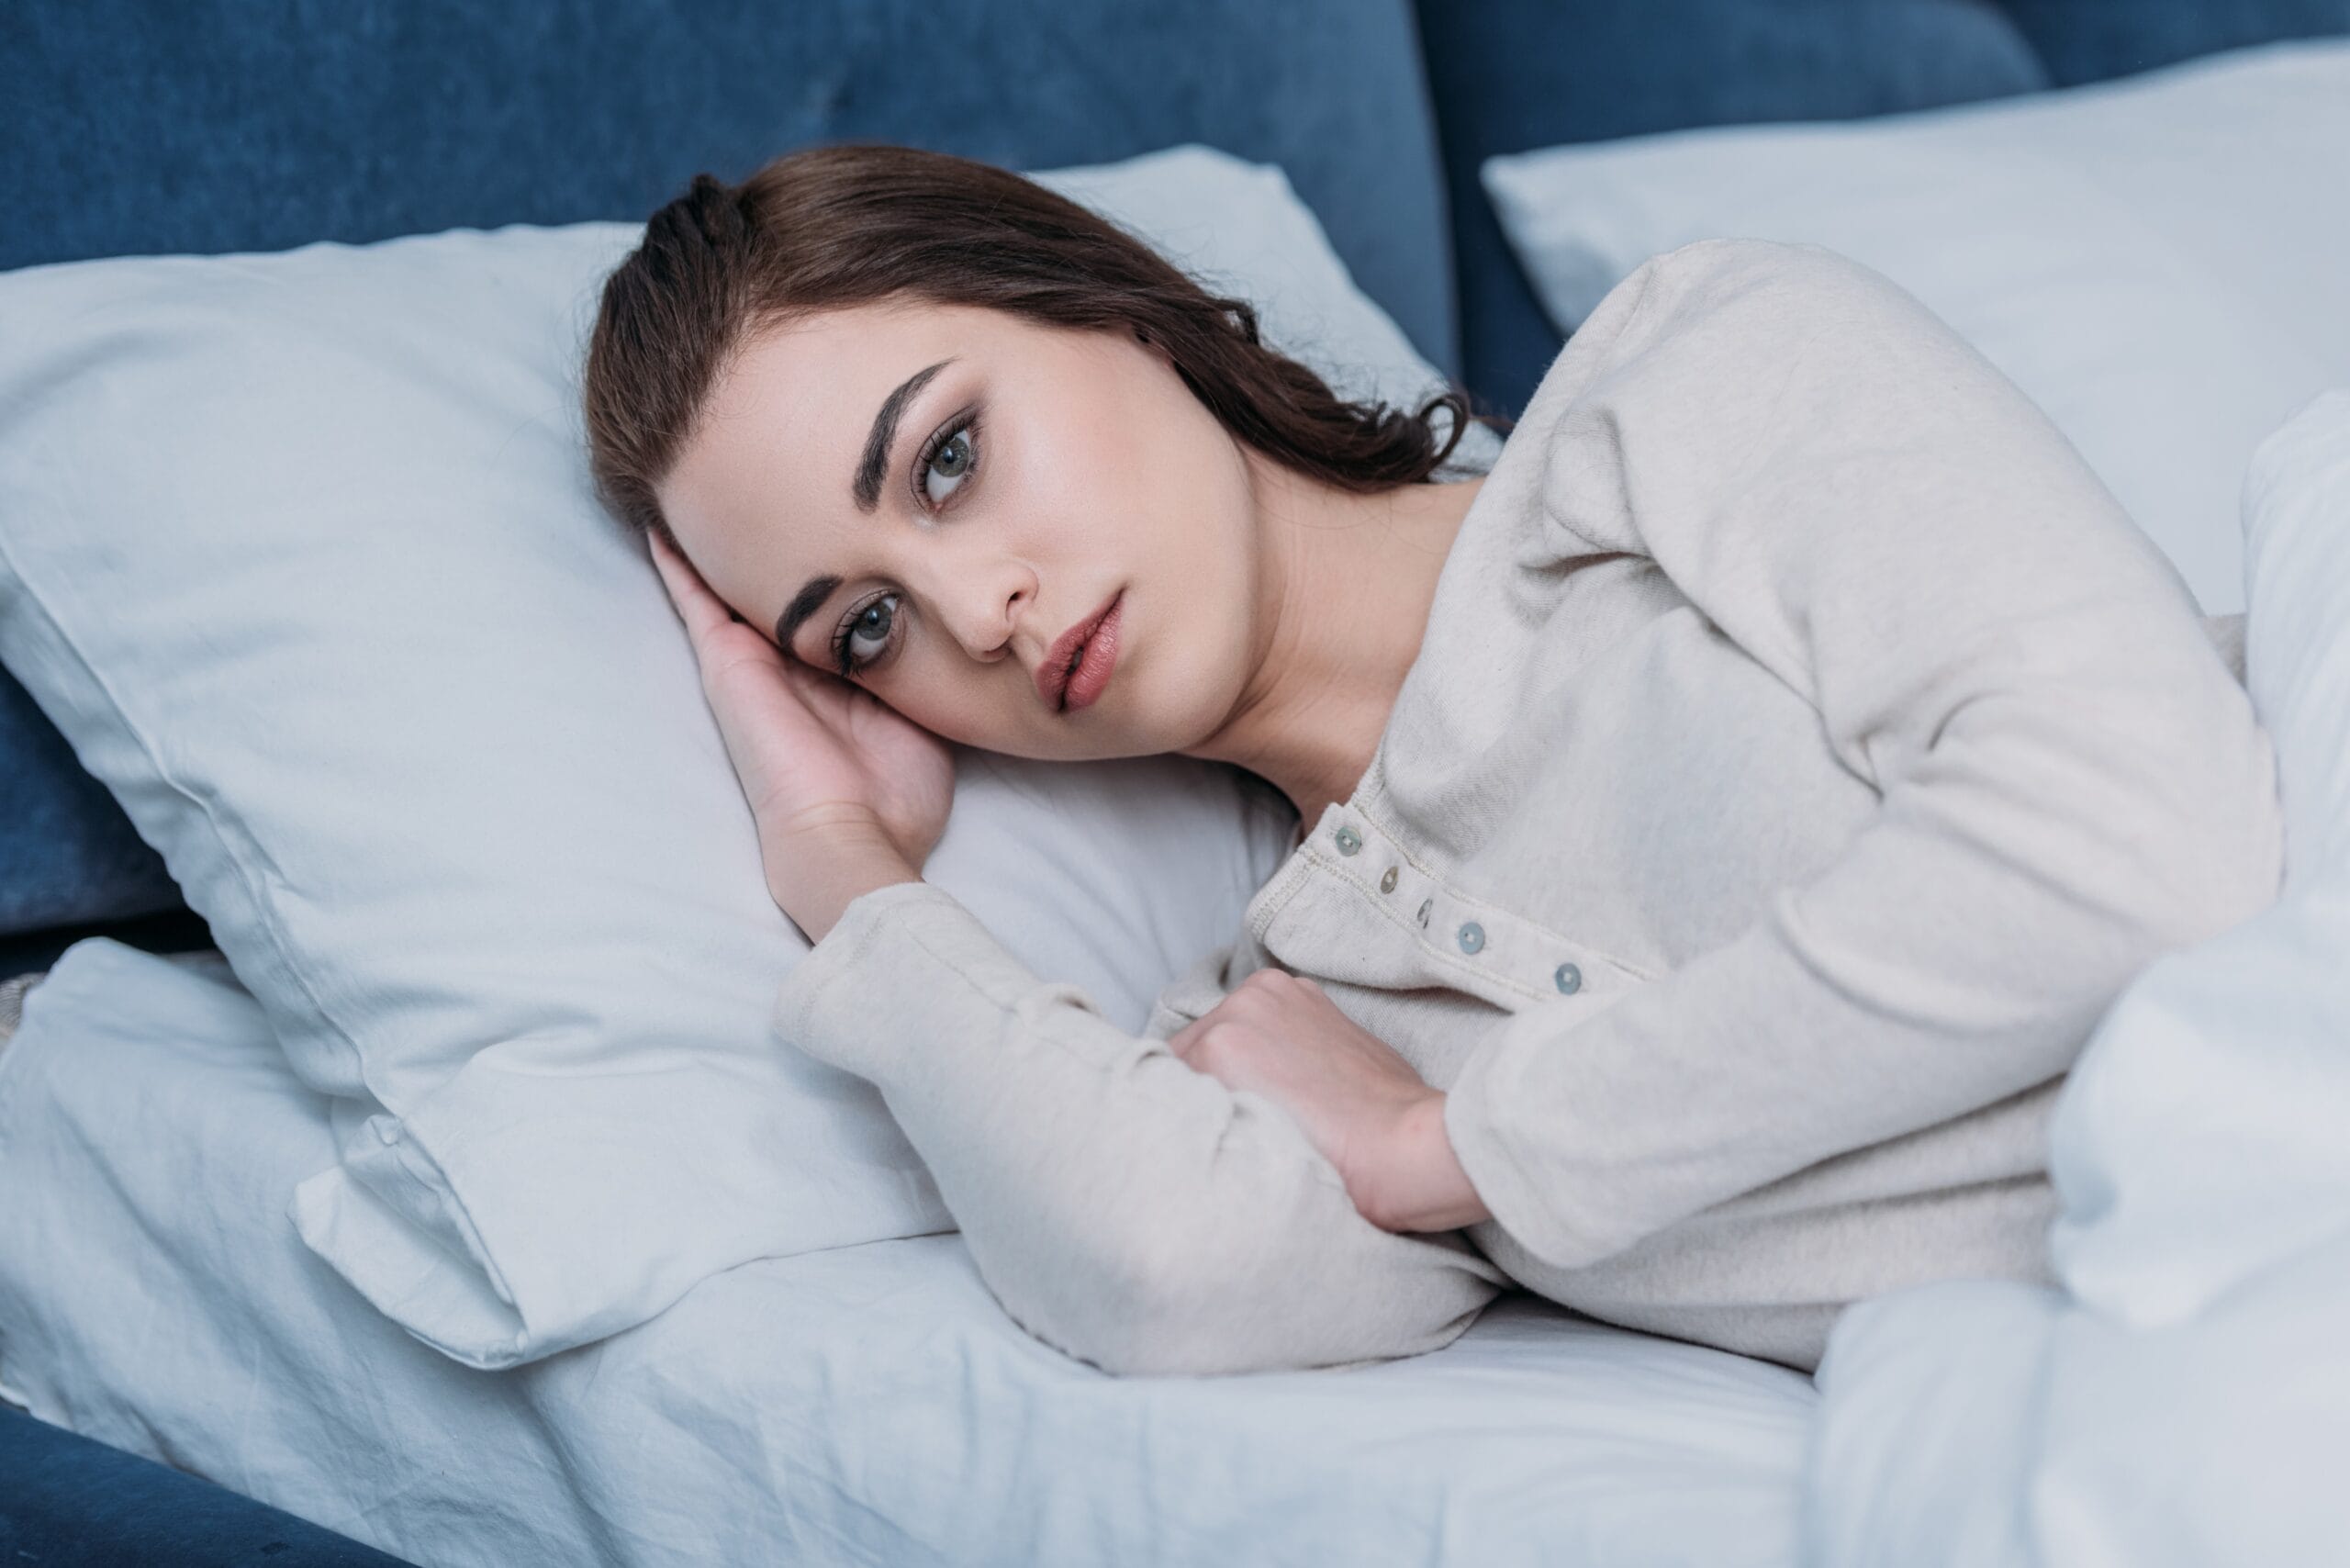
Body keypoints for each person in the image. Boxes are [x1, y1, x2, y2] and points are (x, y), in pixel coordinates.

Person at [579, 142, 2283, 1378]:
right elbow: (1169, 1268)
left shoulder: (1690, 384)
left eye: (949, 458)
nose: (978, 613)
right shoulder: (1292, 1025)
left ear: (1111, 313)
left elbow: (2141, 846)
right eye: (867, 629)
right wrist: (849, 873)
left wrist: (1456, 1153)